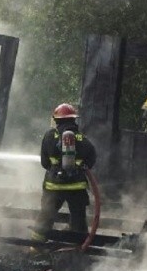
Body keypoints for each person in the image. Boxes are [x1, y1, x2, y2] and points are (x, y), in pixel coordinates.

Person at [30, 103, 97, 248]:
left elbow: (44, 162)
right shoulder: (81, 138)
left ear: (57, 120)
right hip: (77, 188)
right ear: (74, 120)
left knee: (46, 216)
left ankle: (36, 247)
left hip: (53, 186)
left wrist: (55, 170)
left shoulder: (49, 136)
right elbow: (92, 158)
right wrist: (79, 169)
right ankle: (78, 250)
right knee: (78, 219)